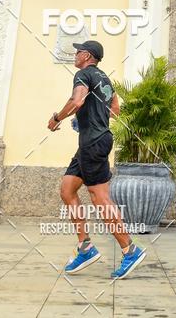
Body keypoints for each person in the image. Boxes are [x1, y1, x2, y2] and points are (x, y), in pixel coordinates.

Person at [47, 39, 146, 279]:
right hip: (90, 143)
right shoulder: (105, 79)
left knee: (100, 198)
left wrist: (57, 118)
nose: (75, 55)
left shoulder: (83, 75)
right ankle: (86, 247)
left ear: (87, 56)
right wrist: (89, 117)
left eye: (78, 52)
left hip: (93, 143)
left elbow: (77, 101)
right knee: (67, 189)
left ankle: (130, 250)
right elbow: (114, 110)